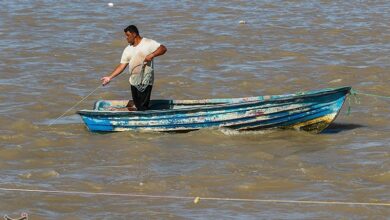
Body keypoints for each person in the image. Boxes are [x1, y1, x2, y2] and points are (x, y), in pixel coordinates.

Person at [101, 25, 167, 111]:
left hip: (145, 80)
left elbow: (163, 48)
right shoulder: (127, 49)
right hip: (134, 81)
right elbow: (122, 66)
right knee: (138, 105)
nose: (126, 38)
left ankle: (143, 120)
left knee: (142, 106)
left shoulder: (148, 43)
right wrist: (109, 77)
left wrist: (152, 55)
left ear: (134, 34)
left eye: (128, 35)